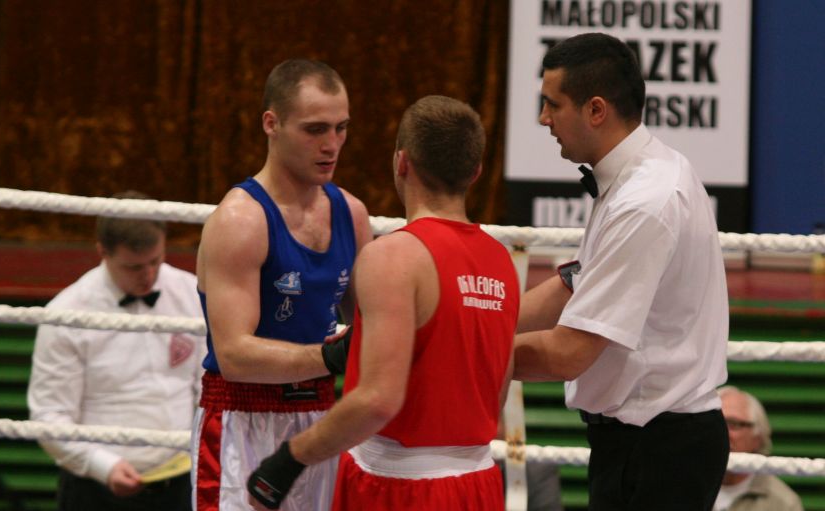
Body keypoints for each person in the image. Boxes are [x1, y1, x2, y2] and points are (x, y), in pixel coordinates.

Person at [245, 95, 520, 510]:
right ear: (476, 171)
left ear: (402, 162)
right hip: (478, 482)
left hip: (397, 485)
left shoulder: (393, 256)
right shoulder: (500, 260)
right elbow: (496, 389)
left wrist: (289, 460)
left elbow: (378, 400)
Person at [512, 32, 730, 510]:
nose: (544, 118)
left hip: (659, 447)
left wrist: (463, 352)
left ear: (596, 110)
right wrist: (477, 320)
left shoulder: (645, 201)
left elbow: (571, 351)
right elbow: (575, 284)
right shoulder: (646, 173)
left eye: (552, 104)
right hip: (647, 440)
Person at [192, 58, 372, 511]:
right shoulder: (240, 220)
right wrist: (329, 356)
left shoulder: (351, 214)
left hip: (322, 420)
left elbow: (369, 326)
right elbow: (233, 356)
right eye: (315, 130)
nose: (332, 145)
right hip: (242, 420)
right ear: (271, 124)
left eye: (341, 128)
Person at [28, 190, 206, 511]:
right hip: (95, 489)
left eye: (155, 261)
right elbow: (49, 415)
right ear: (103, 252)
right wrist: (102, 465)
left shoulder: (190, 293)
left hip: (182, 480)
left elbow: (207, 388)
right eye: (133, 267)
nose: (148, 276)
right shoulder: (66, 313)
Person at [713, 386, 803, 511]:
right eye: (716, 423)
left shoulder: (783, 503)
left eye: (733, 424)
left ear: (758, 438)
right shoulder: (686, 488)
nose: (723, 433)